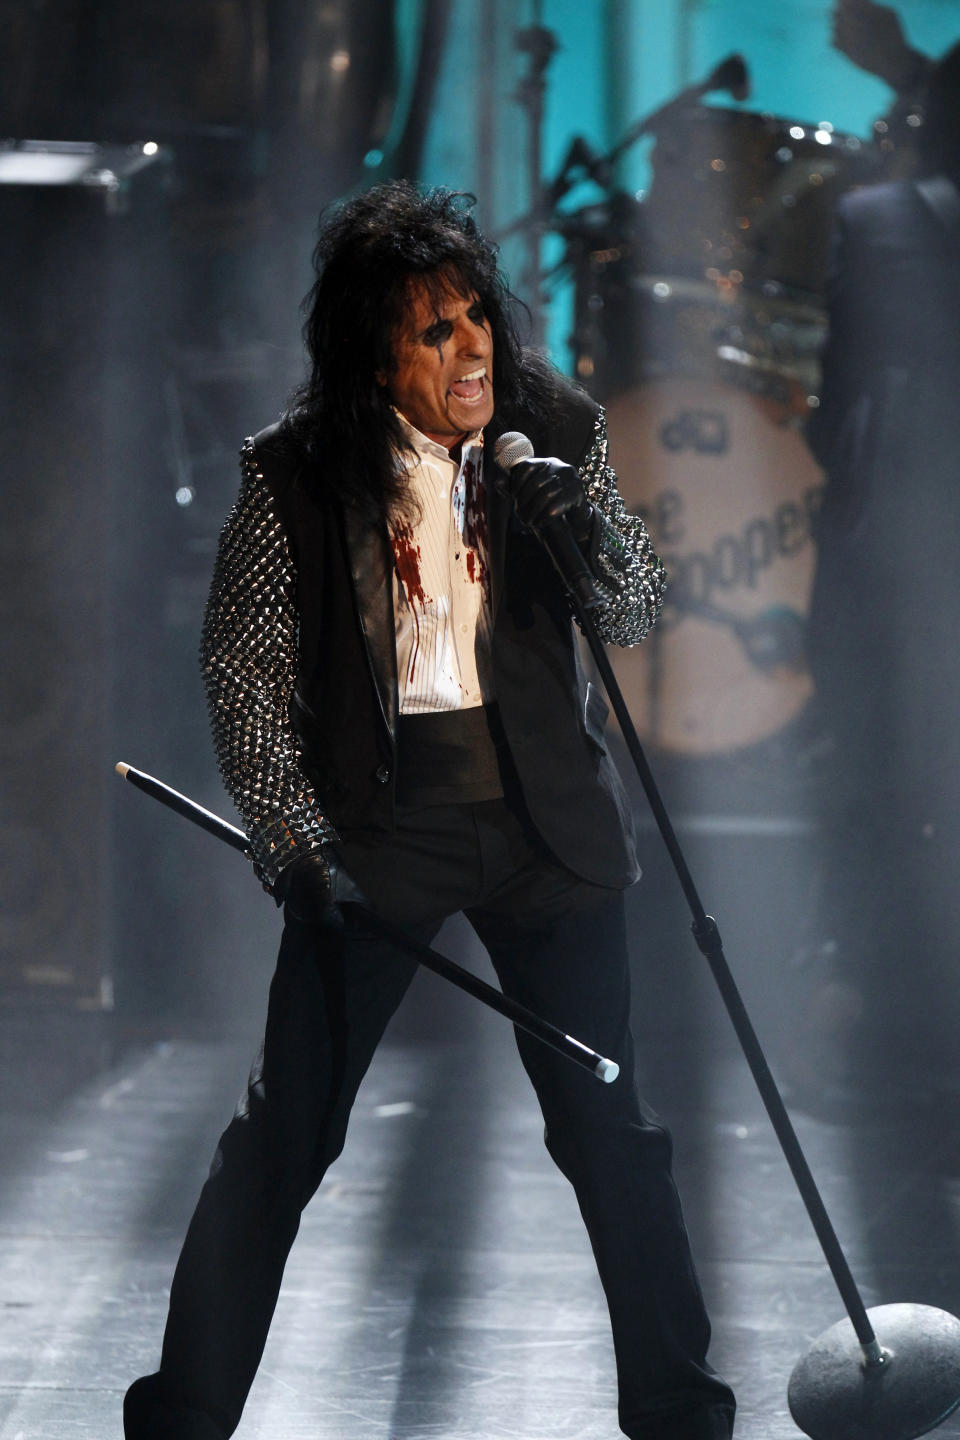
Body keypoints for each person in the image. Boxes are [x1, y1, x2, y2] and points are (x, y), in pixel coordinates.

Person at [123, 181, 736, 1440]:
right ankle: (183, 1416)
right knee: (284, 1141)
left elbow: (632, 620)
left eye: (477, 320)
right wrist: (291, 837)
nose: (472, 353)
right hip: (380, 833)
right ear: (370, 353)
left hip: (545, 828)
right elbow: (244, 670)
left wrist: (589, 526)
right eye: (432, 332)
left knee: (611, 1129)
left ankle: (681, 1411)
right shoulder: (297, 472)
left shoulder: (551, 427)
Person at [804, 42, 960, 1085]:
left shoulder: (878, 221)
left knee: (865, 785)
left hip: (891, 551)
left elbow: (836, 395)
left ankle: (871, 1030)